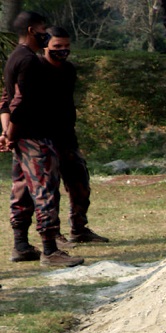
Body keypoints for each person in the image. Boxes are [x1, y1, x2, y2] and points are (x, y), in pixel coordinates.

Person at [0, 11, 83, 267]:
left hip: (22, 136)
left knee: (22, 190)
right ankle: (50, 251)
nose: (45, 32)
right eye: (42, 29)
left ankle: (22, 246)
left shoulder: (14, 57)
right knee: (45, 191)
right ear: (30, 30)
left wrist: (6, 134)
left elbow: (7, 99)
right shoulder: (30, 62)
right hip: (34, 136)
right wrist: (10, 135)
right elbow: (19, 102)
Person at [41, 26, 108, 245]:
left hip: (67, 136)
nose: (63, 50)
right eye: (57, 46)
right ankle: (54, 234)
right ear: (45, 46)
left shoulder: (68, 70)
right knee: (49, 189)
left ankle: (79, 228)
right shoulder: (35, 69)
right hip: (43, 138)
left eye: (66, 46)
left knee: (80, 183)